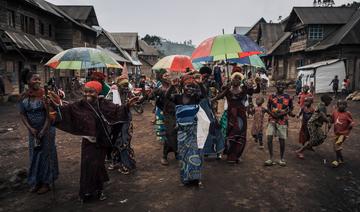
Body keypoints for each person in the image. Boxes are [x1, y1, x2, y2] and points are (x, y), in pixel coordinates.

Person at [57, 81, 138, 202]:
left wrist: (127, 106)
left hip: (102, 140)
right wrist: (54, 107)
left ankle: (99, 190)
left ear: (98, 92)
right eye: (85, 91)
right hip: (88, 141)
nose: (87, 94)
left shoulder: (103, 103)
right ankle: (86, 192)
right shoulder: (80, 104)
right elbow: (66, 110)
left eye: (91, 91)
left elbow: (116, 110)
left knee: (98, 165)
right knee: (87, 165)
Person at [18, 71, 60, 194]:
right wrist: (30, 129)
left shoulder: (45, 95)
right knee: (35, 155)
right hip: (33, 131)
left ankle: (46, 183)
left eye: (39, 79)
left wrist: (43, 130)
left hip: (47, 130)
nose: (38, 81)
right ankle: (36, 181)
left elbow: (49, 115)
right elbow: (22, 114)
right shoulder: (24, 96)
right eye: (34, 79)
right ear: (27, 81)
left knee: (46, 155)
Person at [212, 71, 260, 163]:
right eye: (235, 78)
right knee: (231, 134)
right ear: (232, 79)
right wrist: (210, 100)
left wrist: (257, 83)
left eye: (238, 79)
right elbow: (219, 96)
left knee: (241, 135)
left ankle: (237, 155)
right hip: (231, 115)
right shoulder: (227, 90)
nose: (236, 80)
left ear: (241, 81)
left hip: (241, 116)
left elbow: (256, 91)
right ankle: (230, 155)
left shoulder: (244, 89)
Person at [167, 75, 204, 186]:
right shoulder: (177, 97)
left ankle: (195, 179)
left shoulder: (195, 97)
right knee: (183, 155)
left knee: (195, 154)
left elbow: (204, 95)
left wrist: (200, 84)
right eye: (188, 86)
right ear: (183, 86)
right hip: (182, 131)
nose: (190, 88)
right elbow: (167, 97)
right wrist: (171, 86)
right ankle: (185, 179)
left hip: (193, 130)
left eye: (192, 86)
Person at [106, 76, 136, 174]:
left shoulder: (128, 93)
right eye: (124, 85)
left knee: (125, 142)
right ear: (118, 85)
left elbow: (136, 102)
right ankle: (116, 161)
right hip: (115, 121)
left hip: (126, 121)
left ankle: (126, 164)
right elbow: (108, 107)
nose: (126, 87)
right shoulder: (112, 93)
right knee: (115, 141)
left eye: (127, 85)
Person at [265, 81, 294, 166]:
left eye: (282, 85)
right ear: (276, 86)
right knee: (269, 138)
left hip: (283, 120)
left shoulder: (288, 97)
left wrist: (284, 113)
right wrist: (272, 114)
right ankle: (270, 158)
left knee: (282, 140)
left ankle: (281, 158)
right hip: (272, 119)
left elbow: (291, 108)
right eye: (279, 85)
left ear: (284, 87)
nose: (280, 86)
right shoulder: (272, 96)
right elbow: (268, 106)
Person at [152, 73, 178, 165]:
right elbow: (155, 99)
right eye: (165, 76)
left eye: (169, 75)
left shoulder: (176, 88)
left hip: (177, 114)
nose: (168, 77)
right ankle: (164, 156)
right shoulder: (160, 90)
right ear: (161, 79)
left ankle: (176, 152)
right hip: (168, 115)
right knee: (169, 135)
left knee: (177, 134)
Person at [330, 100, 355, 167]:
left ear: (346, 106)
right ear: (337, 105)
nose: (342, 106)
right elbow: (331, 120)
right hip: (336, 133)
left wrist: (350, 127)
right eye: (340, 104)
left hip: (343, 133)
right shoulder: (335, 112)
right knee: (335, 147)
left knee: (337, 145)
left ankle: (337, 161)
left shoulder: (347, 113)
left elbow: (351, 122)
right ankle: (341, 159)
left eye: (344, 104)